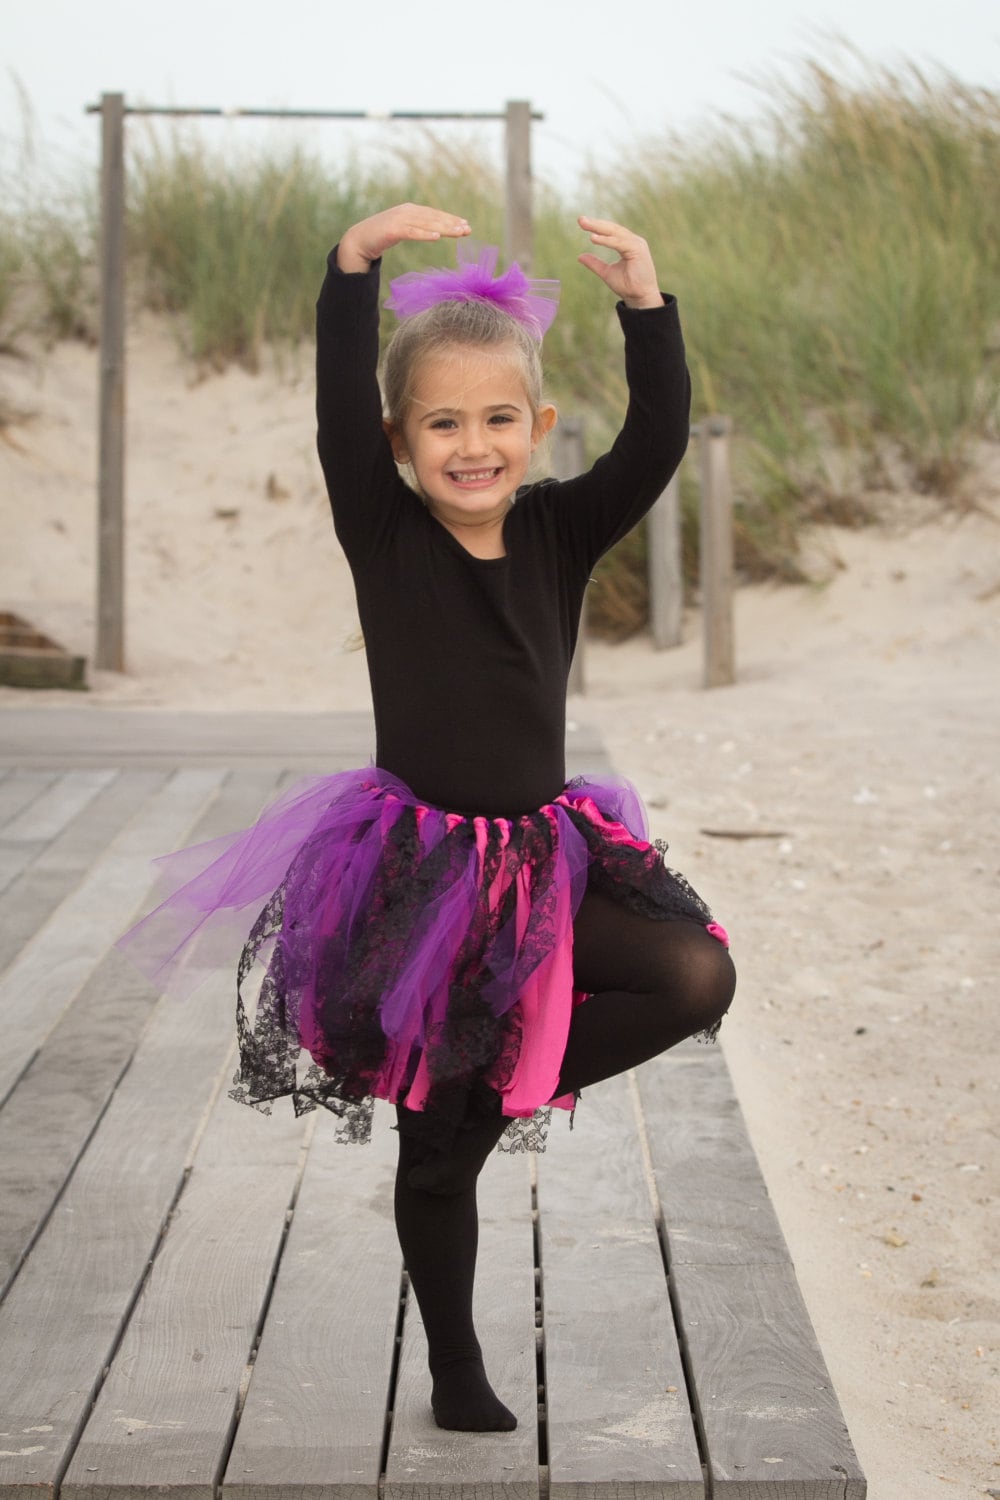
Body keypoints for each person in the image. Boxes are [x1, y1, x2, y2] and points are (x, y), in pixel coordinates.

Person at [119, 203, 735, 1435]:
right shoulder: (384, 529)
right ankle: (455, 1364)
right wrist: (350, 268)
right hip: (416, 881)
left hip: (548, 858)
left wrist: (646, 307)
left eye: (497, 419)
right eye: (442, 424)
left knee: (691, 975)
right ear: (401, 441)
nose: (472, 445)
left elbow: (659, 439)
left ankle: (510, 1081)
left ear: (537, 429)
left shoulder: (561, 529)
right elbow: (337, 406)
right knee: (434, 1155)